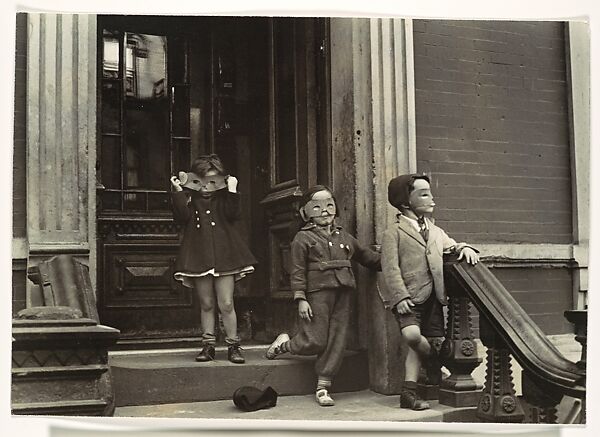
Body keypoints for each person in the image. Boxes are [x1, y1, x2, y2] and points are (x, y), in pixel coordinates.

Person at [265, 185, 381, 406]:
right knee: (316, 340)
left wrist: (395, 259)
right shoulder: (302, 238)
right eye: (317, 207)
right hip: (317, 294)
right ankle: (285, 345)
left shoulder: (345, 237)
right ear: (306, 212)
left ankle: (323, 386)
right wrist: (301, 298)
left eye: (329, 205)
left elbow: (368, 258)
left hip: (344, 292)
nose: (325, 211)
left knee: (337, 339)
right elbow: (297, 271)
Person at [380, 174, 479, 410]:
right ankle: (434, 364)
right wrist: (400, 296)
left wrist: (464, 247)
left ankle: (409, 393)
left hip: (434, 297)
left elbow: (450, 245)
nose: (431, 198)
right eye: (424, 194)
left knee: (428, 342)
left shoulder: (435, 230)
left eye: (430, 192)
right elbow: (390, 268)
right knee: (413, 337)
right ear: (406, 202)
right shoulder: (393, 232)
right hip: (409, 298)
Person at [170, 154, 257, 364]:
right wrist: (179, 191)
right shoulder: (190, 199)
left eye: (212, 180)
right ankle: (208, 346)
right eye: (202, 180)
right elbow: (182, 217)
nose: (206, 187)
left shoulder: (224, 198)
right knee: (207, 303)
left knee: (226, 303)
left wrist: (233, 189)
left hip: (225, 256)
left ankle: (233, 345)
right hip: (199, 255)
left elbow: (233, 214)